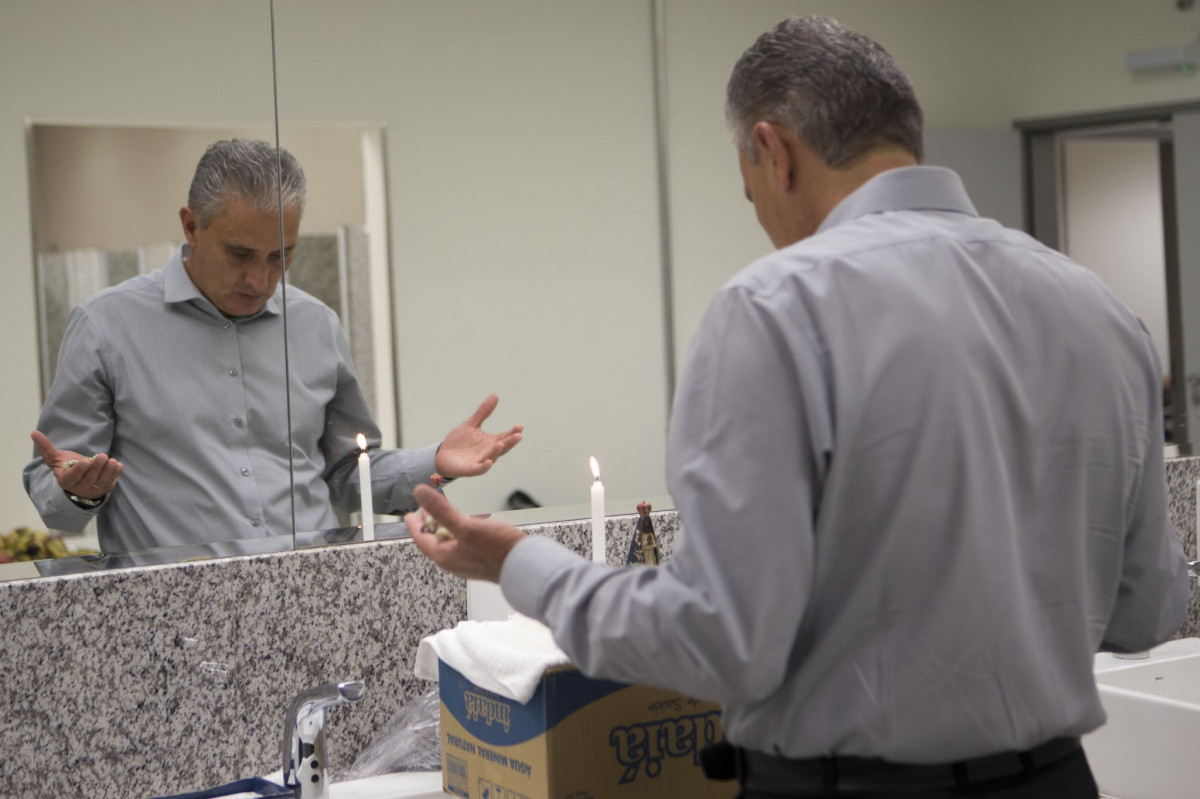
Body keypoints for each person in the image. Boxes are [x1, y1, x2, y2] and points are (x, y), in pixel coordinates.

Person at [405, 17, 1191, 799]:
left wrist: (518, 564)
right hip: (1058, 780)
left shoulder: (776, 309)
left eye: (750, 194)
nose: (766, 224)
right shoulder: (1101, 312)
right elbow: (1148, 610)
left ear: (773, 152)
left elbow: (721, 642)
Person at [24, 138, 523, 554]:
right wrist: (78, 494)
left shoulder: (316, 325)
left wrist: (434, 460)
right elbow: (52, 492)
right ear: (191, 225)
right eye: (240, 254)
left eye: (281, 257)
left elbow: (346, 472)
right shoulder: (105, 326)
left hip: (313, 597)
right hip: (176, 617)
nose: (260, 278)